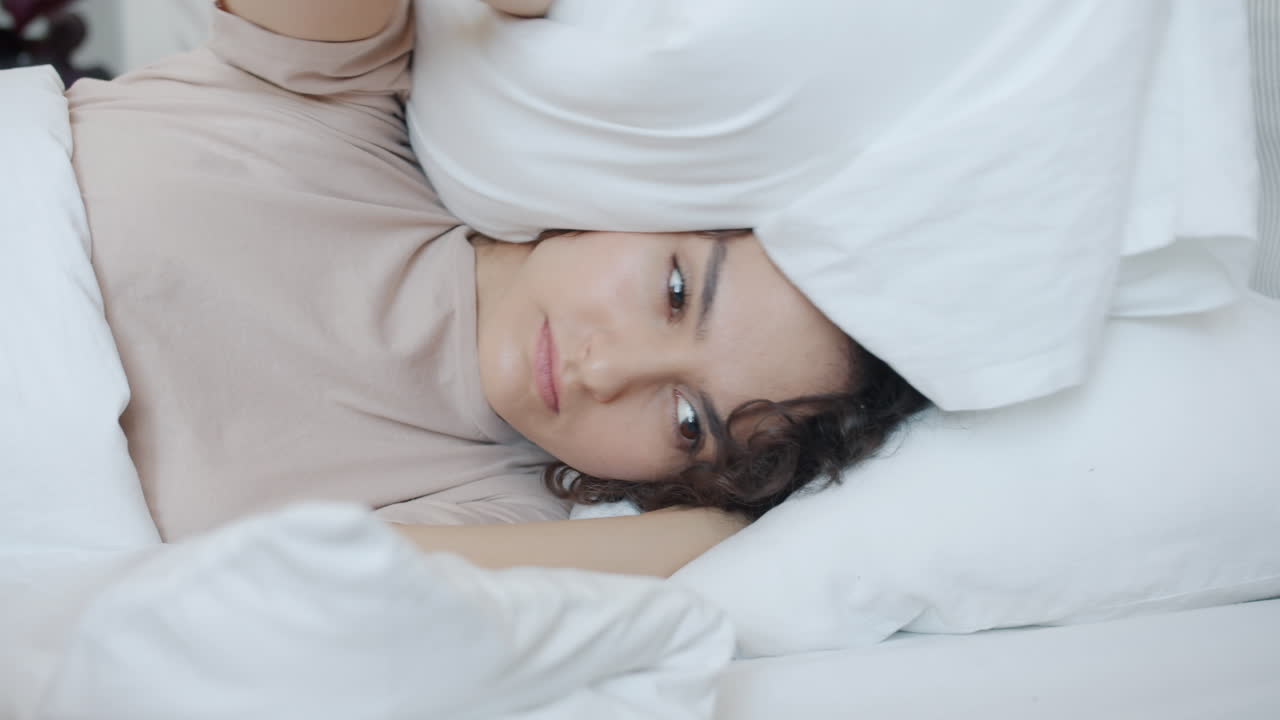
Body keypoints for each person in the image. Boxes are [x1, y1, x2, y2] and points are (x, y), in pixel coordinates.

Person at [66, 0, 926, 577]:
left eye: (688, 421)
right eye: (672, 292)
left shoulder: (488, 509)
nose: (606, 370)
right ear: (654, 198)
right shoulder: (350, 111)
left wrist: (729, 530)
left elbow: (261, 596)